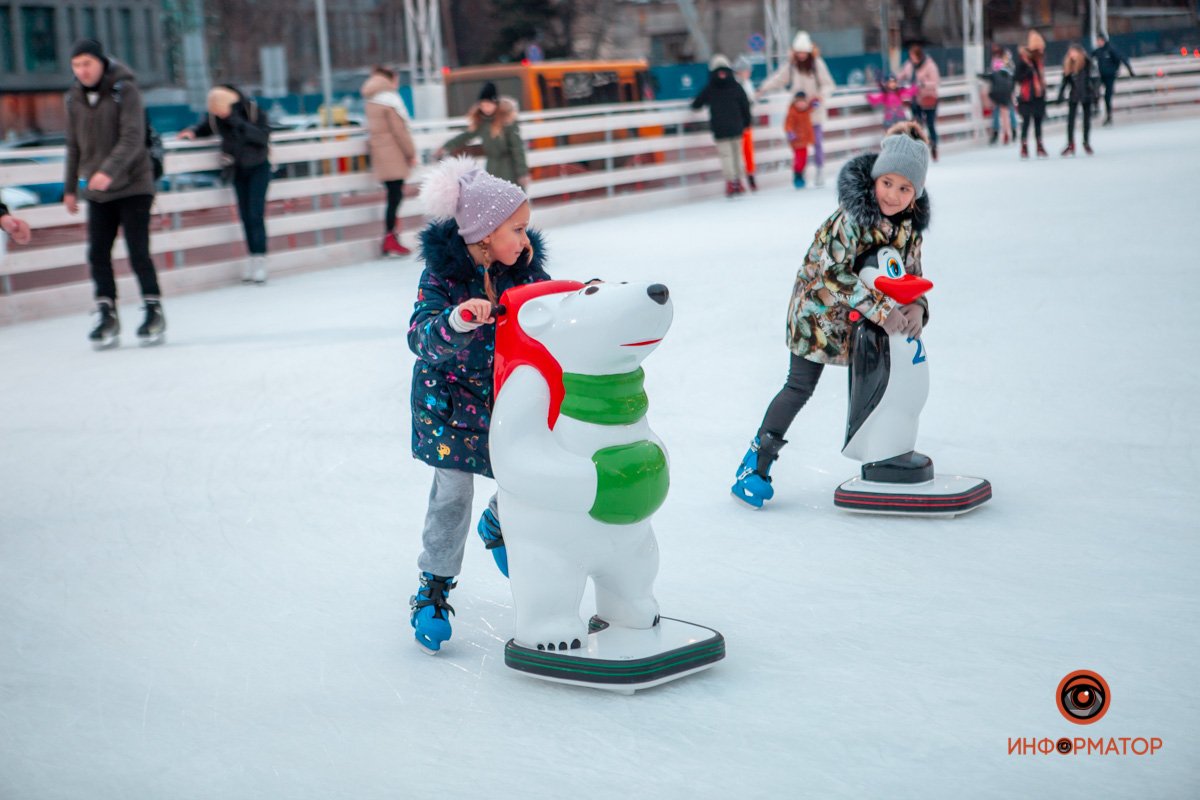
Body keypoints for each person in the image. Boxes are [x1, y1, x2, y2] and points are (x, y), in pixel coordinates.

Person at [731, 122, 931, 509]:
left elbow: (913, 276)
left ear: (915, 195)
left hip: (864, 323)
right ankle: (755, 464)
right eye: (887, 182)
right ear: (875, 178)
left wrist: (917, 307)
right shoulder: (852, 219)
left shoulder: (909, 230)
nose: (893, 194)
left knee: (886, 381)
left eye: (905, 188)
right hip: (816, 315)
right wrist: (881, 310)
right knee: (799, 387)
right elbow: (831, 276)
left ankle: (884, 454)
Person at [406, 157, 550, 653]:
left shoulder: (523, 272)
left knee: (523, 477)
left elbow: (551, 315)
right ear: (485, 234)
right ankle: (434, 588)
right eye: (517, 229)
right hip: (446, 408)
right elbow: (420, 337)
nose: (526, 240)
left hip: (501, 401)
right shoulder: (442, 277)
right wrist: (458, 321)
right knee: (451, 496)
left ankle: (499, 520)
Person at [63, 38, 166, 349]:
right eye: (76, 66)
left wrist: (109, 171)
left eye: (87, 64)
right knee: (97, 253)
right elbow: (73, 145)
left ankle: (152, 310)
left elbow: (133, 137)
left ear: (101, 62)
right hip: (97, 191)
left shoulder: (125, 90)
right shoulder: (74, 98)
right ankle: (106, 312)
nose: (82, 71)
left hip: (134, 184)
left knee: (137, 251)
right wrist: (70, 188)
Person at [178, 85, 273, 283]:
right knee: (245, 215)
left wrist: (237, 122)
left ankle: (260, 260)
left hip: (258, 167)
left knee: (255, 214)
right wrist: (193, 132)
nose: (218, 114)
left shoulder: (252, 111)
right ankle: (252, 258)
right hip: (237, 169)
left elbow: (262, 137)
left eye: (220, 110)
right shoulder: (216, 119)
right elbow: (205, 127)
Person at [757, 31, 836, 186]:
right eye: (798, 52)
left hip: (814, 112)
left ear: (808, 51)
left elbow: (829, 84)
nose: (801, 55)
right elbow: (779, 79)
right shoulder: (791, 65)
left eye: (803, 52)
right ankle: (800, 173)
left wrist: (819, 98)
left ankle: (819, 170)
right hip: (798, 113)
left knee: (817, 142)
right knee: (800, 146)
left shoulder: (816, 64)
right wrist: (763, 89)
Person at [360, 65, 418, 258]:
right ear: (390, 79)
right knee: (395, 196)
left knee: (393, 196)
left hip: (380, 152)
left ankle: (391, 237)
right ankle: (390, 238)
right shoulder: (389, 100)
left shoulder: (371, 98)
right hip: (393, 153)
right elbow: (399, 130)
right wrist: (410, 153)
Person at [435, 82, 530, 189]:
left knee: (511, 199)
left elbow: (517, 148)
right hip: (492, 167)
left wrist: (522, 173)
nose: (485, 108)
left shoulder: (507, 121)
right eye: (482, 105)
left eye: (488, 105)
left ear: (495, 103)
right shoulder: (482, 122)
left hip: (510, 169)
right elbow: (465, 136)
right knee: (493, 198)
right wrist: (446, 146)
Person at [690, 54, 752, 198]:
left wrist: (694, 104)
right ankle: (738, 181)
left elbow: (697, 104)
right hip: (737, 126)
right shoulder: (736, 86)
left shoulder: (710, 88)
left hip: (720, 128)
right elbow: (745, 105)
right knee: (737, 155)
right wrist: (747, 122)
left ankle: (731, 183)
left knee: (726, 156)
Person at [897, 44, 942, 161]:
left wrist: (923, 84)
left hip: (928, 98)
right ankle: (918, 148)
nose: (911, 58)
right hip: (915, 99)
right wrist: (893, 81)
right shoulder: (909, 65)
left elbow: (936, 82)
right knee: (916, 124)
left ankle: (934, 146)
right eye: (910, 56)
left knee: (930, 124)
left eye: (913, 56)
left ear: (918, 55)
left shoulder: (930, 65)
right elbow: (901, 75)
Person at [1055, 44, 1098, 156]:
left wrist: (1095, 94)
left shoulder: (1087, 63)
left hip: (1086, 94)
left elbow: (1093, 79)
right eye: (1070, 53)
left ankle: (1086, 142)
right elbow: (1065, 81)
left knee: (1086, 120)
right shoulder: (1069, 65)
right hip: (1074, 95)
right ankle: (1070, 144)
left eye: (1073, 52)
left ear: (1079, 53)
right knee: (1070, 120)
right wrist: (1061, 94)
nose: (1071, 55)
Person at [1014, 30, 1049, 159]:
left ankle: (1039, 145)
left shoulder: (1037, 62)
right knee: (1026, 122)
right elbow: (1016, 78)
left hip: (1038, 96)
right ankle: (1024, 146)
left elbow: (1040, 78)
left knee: (1038, 121)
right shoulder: (1022, 63)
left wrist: (1043, 91)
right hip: (1026, 97)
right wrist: (1027, 74)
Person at [1091, 34, 1135, 126]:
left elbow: (1122, 58)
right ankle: (1095, 107)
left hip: (1110, 76)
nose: (1098, 43)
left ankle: (1109, 116)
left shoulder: (1111, 49)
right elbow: (1089, 58)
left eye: (1099, 41)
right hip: (1102, 75)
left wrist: (1130, 70)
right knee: (1095, 90)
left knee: (1107, 96)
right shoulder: (1098, 51)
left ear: (1103, 41)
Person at [978, 46, 1017, 145]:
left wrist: (979, 75)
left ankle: (1001, 132)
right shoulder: (1006, 62)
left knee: (1001, 111)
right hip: (1006, 90)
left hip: (999, 92)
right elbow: (1011, 75)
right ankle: (1010, 131)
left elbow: (991, 75)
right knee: (1007, 110)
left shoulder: (1001, 62)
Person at [732, 55, 759, 191]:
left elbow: (751, 100)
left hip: (746, 122)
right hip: (738, 123)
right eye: (746, 70)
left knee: (748, 151)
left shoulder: (747, 83)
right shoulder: (735, 84)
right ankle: (739, 179)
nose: (748, 73)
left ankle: (750, 176)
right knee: (738, 152)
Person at [784, 91, 816, 188]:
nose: (801, 104)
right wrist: (790, 132)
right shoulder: (792, 112)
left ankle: (800, 175)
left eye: (803, 102)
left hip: (804, 140)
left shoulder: (806, 110)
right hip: (797, 140)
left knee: (804, 159)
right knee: (799, 160)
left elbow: (812, 106)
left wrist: (815, 103)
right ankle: (797, 175)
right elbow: (788, 123)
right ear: (795, 102)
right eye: (799, 102)